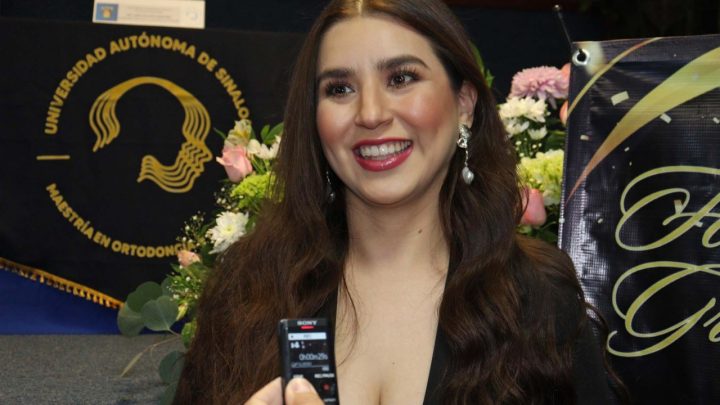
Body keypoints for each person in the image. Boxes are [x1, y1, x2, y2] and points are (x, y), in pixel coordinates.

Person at [174, 0, 619, 404]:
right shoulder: (249, 290)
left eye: (401, 79)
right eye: (339, 89)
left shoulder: (537, 297)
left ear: (464, 104)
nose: (370, 114)